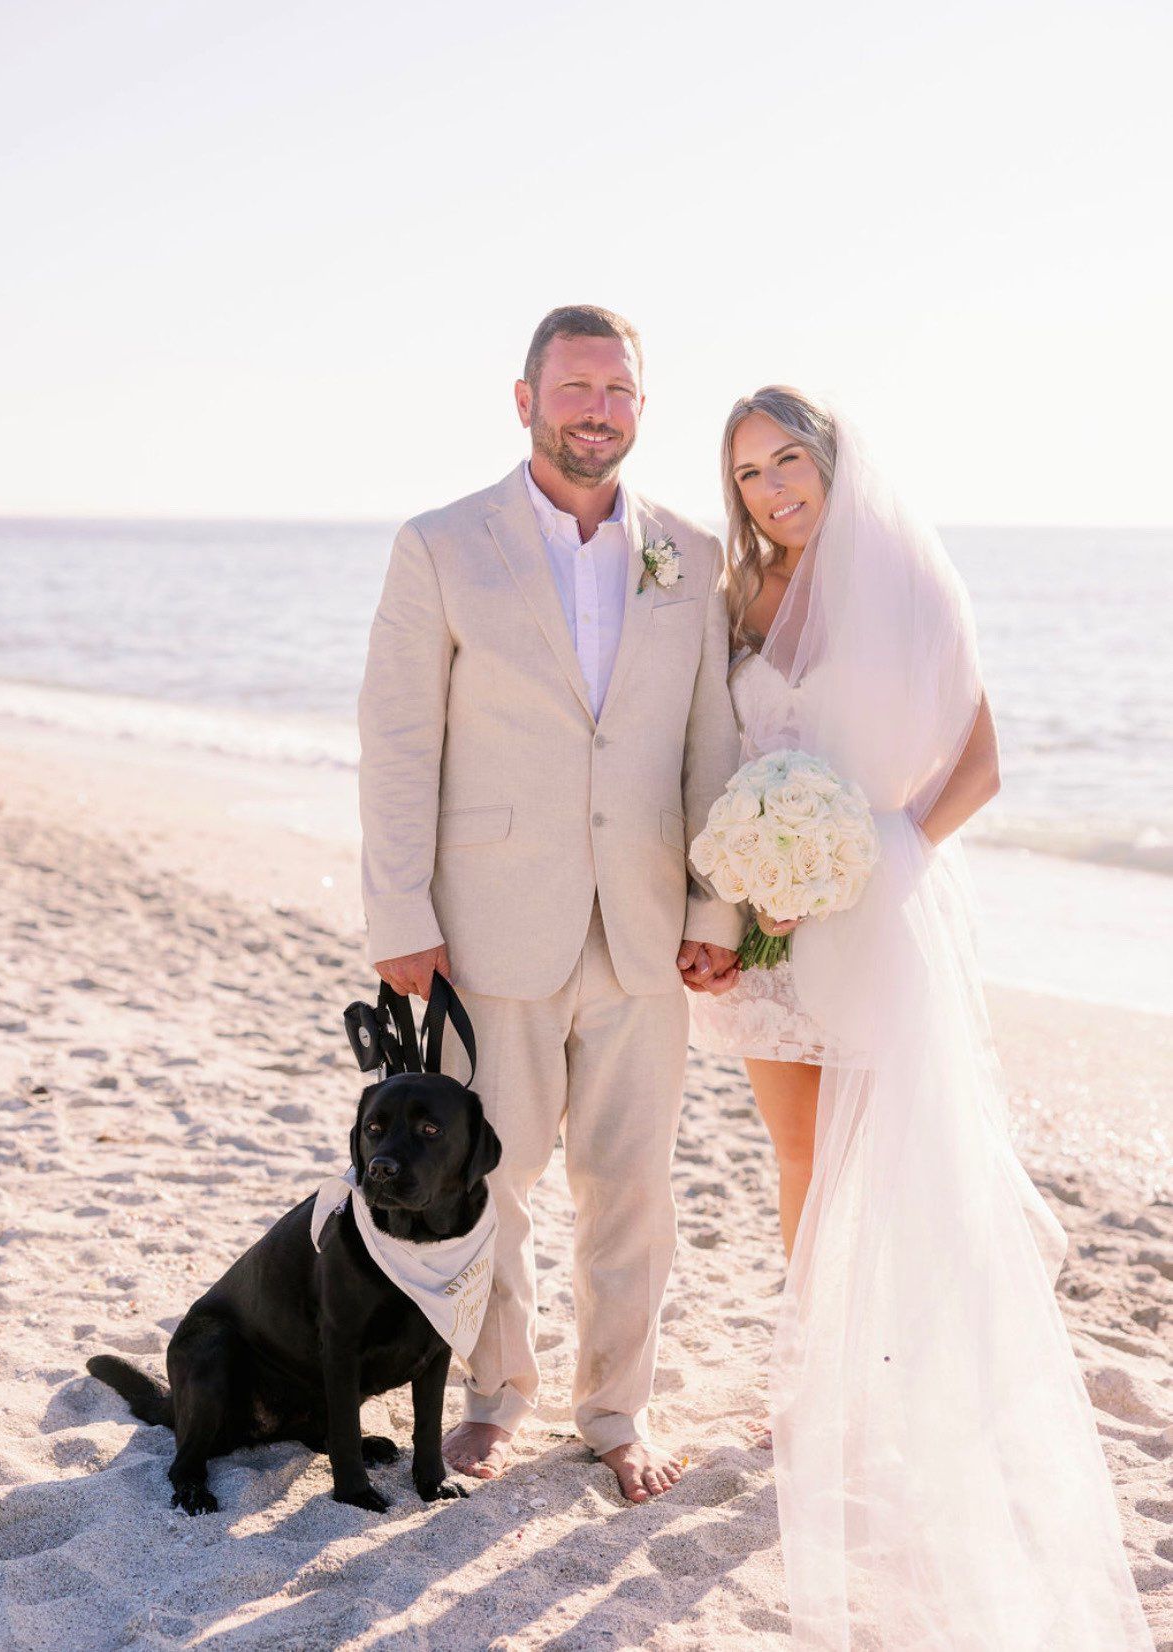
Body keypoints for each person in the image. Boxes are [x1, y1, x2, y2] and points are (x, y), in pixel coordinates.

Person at [690, 387, 1154, 1647]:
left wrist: (878, 852)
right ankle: (809, 1382)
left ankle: (875, 1385)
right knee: (795, 1158)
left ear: (833, 461)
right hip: (773, 917)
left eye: (788, 460)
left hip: (868, 915)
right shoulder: (740, 599)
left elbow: (980, 762)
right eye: (746, 474)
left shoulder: (903, 581)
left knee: (883, 1166)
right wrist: (747, 888)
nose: (772, 489)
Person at [356, 305, 743, 1504]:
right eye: (575, 388)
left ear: (641, 405)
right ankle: (493, 1398)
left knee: (632, 1184)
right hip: (487, 917)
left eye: (618, 391)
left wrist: (714, 909)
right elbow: (398, 734)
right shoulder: (440, 543)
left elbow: (710, 745)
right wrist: (399, 913)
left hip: (639, 928)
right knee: (496, 1181)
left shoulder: (691, 554)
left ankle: (616, 1407)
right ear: (525, 399)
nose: (598, 410)